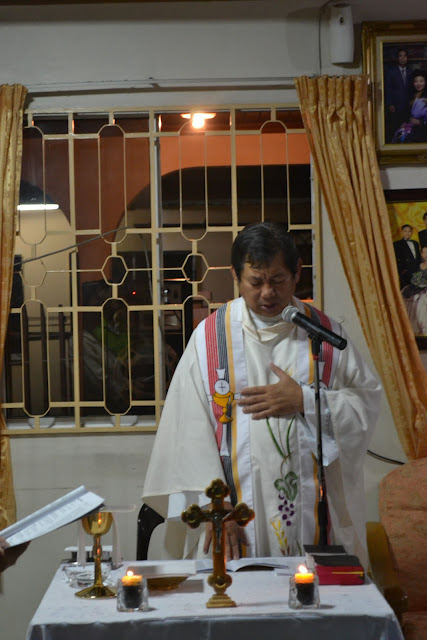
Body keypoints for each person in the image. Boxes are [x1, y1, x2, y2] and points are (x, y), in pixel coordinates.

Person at [142, 223, 381, 568]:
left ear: (297, 273)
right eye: (256, 282)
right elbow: (187, 429)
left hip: (313, 518)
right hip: (234, 519)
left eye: (278, 280)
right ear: (235, 276)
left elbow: (366, 402)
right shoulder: (210, 339)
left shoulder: (324, 335)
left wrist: (305, 400)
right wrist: (216, 504)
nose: (268, 292)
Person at [384, 48, 413, 143]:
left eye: (405, 56)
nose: (402, 58)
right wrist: (390, 104)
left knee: (406, 128)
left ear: (407, 58)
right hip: (395, 105)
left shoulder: (411, 71)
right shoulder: (391, 71)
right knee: (395, 127)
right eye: (400, 56)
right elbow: (388, 88)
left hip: (407, 105)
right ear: (397, 58)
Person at [392, 70, 427, 143]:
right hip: (410, 126)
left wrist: (421, 122)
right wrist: (404, 122)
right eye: (416, 81)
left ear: (425, 82)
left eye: (421, 81)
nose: (418, 84)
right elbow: (406, 112)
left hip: (423, 128)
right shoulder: (411, 95)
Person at [402, 245, 427, 335]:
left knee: (422, 302)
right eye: (424, 252)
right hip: (415, 288)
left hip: (425, 290)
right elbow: (411, 277)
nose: (426, 255)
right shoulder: (416, 266)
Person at [394, 224, 422, 289]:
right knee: (407, 289)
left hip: (417, 270)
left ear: (411, 232)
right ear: (402, 232)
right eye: (405, 231)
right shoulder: (397, 244)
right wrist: (402, 271)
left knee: (418, 289)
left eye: (409, 231)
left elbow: (418, 257)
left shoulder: (415, 243)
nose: (407, 233)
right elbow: (396, 259)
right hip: (406, 271)